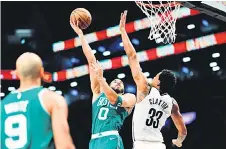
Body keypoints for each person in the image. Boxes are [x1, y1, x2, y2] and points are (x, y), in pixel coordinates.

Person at [119, 10, 187, 149]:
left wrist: (122, 31)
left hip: (141, 145)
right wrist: (178, 141)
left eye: (156, 76)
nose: (153, 77)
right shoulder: (172, 103)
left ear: (159, 82)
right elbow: (183, 131)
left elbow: (132, 56)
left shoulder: (145, 89)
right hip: (159, 145)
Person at [70, 21, 136, 149]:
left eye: (120, 82)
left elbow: (115, 99)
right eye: (115, 81)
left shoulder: (129, 97)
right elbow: (91, 61)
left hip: (111, 138)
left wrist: (101, 78)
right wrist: (81, 35)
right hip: (94, 140)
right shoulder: (98, 92)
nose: (117, 81)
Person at [1, 52, 75, 149]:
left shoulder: (2, 105)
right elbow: (64, 146)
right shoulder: (52, 99)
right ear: (41, 72)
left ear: (17, 74)